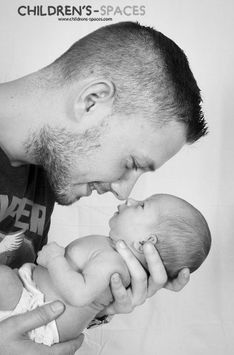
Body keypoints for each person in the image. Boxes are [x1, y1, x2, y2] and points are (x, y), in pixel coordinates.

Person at [0, 21, 208, 354]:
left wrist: (97, 304)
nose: (124, 194)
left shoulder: (45, 172)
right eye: (133, 163)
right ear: (92, 101)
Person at [0, 194, 211, 346]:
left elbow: (78, 294)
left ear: (145, 242)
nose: (131, 200)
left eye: (142, 206)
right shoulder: (112, 255)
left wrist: (55, 259)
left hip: (35, 311)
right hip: (34, 305)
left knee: (3, 278)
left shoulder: (114, 262)